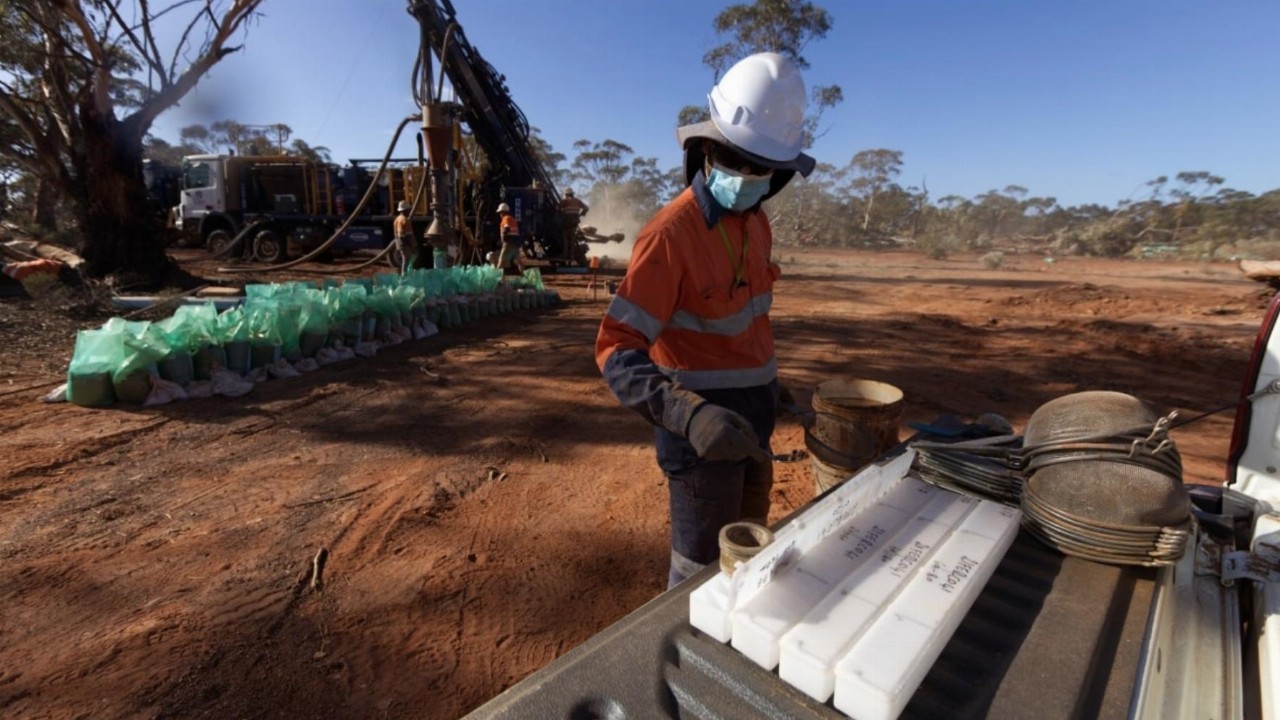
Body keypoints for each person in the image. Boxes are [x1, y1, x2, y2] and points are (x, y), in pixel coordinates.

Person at [594, 53, 816, 589]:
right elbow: (615, 348)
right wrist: (689, 416)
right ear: (708, 149)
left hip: (753, 431)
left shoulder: (757, 226)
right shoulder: (670, 235)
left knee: (746, 562)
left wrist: (770, 388)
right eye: (736, 160)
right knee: (699, 579)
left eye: (761, 167)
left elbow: (743, 325)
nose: (748, 177)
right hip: (701, 446)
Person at [559, 188, 589, 256]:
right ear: (572, 194)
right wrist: (580, 214)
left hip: (567, 222)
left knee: (565, 238)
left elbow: (557, 208)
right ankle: (571, 255)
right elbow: (586, 208)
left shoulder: (565, 201)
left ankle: (565, 254)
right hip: (574, 222)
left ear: (566, 194)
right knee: (572, 238)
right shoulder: (577, 201)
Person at [494, 202, 521, 272]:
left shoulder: (506, 218)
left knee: (501, 260)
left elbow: (506, 228)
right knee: (518, 261)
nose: (500, 214)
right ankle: (524, 274)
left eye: (500, 213)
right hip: (515, 243)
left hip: (509, 243)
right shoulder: (512, 219)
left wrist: (503, 239)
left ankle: (497, 276)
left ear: (503, 212)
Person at [393, 200, 413, 271]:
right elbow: (406, 235)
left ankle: (404, 273)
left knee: (405, 259)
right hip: (404, 244)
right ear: (405, 210)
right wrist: (411, 245)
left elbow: (397, 234)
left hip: (399, 243)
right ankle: (404, 275)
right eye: (408, 210)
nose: (409, 211)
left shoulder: (397, 219)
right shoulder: (405, 220)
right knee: (406, 259)